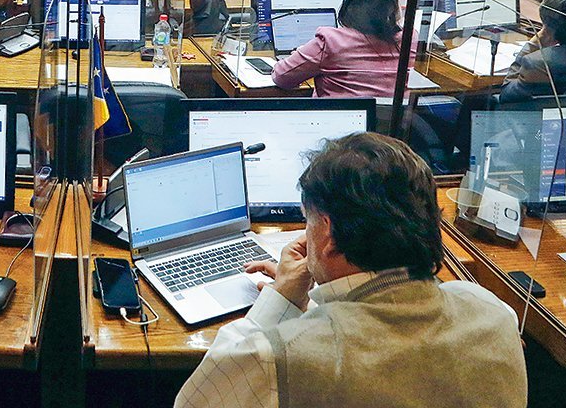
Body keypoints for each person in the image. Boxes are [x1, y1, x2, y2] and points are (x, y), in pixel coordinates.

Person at [175, 132, 526, 408]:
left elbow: (195, 401)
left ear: (327, 231)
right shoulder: (494, 312)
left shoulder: (274, 358)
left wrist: (280, 299)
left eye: (307, 219)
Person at [271, 0, 417, 98]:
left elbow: (282, 77)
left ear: (350, 5)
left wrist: (303, 53)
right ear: (392, 5)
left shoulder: (330, 42)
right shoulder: (411, 39)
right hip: (396, 127)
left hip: (342, 125)